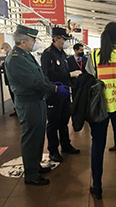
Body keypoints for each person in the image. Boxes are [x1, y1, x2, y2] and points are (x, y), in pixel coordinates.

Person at [4, 25, 70, 185]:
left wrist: (51, 84)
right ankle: (31, 174)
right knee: (31, 138)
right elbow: (32, 82)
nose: (34, 43)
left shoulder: (26, 55)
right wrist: (54, 88)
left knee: (39, 135)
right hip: (28, 103)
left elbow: (40, 76)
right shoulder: (14, 59)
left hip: (37, 100)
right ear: (24, 41)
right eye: (33, 39)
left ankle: (36, 165)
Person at [85, 22, 116, 201]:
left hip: (100, 107)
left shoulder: (94, 55)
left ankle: (97, 187)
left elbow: (89, 82)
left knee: (97, 145)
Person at [41, 27, 80, 163]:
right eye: (63, 39)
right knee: (53, 123)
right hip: (53, 93)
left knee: (64, 120)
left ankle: (65, 144)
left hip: (64, 92)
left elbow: (65, 70)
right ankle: (53, 150)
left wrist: (72, 79)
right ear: (56, 38)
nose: (64, 42)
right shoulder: (48, 54)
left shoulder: (62, 54)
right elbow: (48, 75)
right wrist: (68, 74)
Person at [0, 42, 16, 116]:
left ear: (7, 47)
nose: (2, 50)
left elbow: (9, 66)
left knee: (14, 96)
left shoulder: (11, 55)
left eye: (3, 48)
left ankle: (17, 110)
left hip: (12, 80)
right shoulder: (8, 55)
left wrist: (3, 64)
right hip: (11, 80)